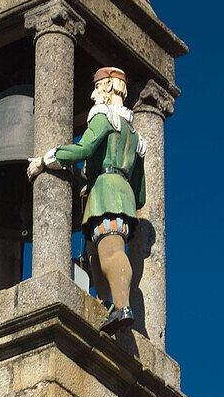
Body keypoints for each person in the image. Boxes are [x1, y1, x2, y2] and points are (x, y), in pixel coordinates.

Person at [27, 66, 146, 334]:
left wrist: (47, 159)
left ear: (107, 88)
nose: (93, 96)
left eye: (95, 88)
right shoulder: (135, 137)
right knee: (94, 254)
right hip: (120, 194)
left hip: (105, 193)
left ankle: (122, 306)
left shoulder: (104, 119)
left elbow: (85, 148)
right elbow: (141, 193)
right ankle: (106, 304)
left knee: (111, 251)